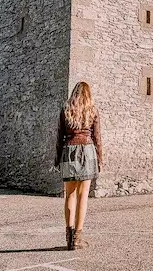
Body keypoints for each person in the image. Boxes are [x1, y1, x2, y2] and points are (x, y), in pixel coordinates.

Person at [54, 82, 103, 250]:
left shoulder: (66, 110)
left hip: (69, 150)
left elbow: (59, 137)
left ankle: (68, 237)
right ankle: (77, 238)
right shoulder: (93, 110)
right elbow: (97, 137)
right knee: (83, 196)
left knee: (69, 195)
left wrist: (57, 160)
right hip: (87, 151)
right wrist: (100, 159)